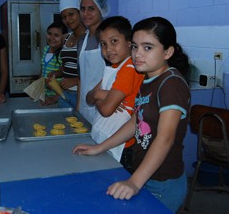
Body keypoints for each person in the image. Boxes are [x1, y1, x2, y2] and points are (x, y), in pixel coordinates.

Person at [73, 17, 191, 213]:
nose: (137, 54)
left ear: (168, 52)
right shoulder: (148, 80)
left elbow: (165, 138)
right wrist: (100, 148)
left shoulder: (171, 84)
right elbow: (136, 121)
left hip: (163, 181)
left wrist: (134, 182)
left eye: (148, 48)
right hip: (145, 174)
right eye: (135, 47)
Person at [88, 16, 143, 172]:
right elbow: (88, 97)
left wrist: (98, 95)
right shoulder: (114, 67)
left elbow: (106, 110)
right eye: (103, 44)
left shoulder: (129, 68)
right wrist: (101, 95)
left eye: (114, 41)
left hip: (123, 146)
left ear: (129, 43)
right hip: (109, 139)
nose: (108, 49)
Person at [47, 0, 86, 108]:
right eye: (64, 17)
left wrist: (75, 80)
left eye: (71, 14)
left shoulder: (90, 37)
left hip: (81, 94)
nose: (68, 20)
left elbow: (95, 71)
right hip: (64, 94)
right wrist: (56, 73)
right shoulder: (65, 38)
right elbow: (67, 66)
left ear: (79, 13)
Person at [77, 0, 109, 124]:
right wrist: (78, 107)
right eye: (82, 9)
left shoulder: (109, 39)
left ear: (101, 10)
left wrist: (94, 95)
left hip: (105, 105)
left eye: (91, 9)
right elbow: (81, 78)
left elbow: (116, 74)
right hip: (85, 106)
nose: (85, 13)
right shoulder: (81, 40)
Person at [41, 21, 68, 105]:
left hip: (58, 97)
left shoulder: (64, 53)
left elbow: (64, 70)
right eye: (49, 34)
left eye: (56, 35)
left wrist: (55, 98)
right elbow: (42, 70)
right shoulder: (46, 50)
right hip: (46, 96)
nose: (52, 37)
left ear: (64, 37)